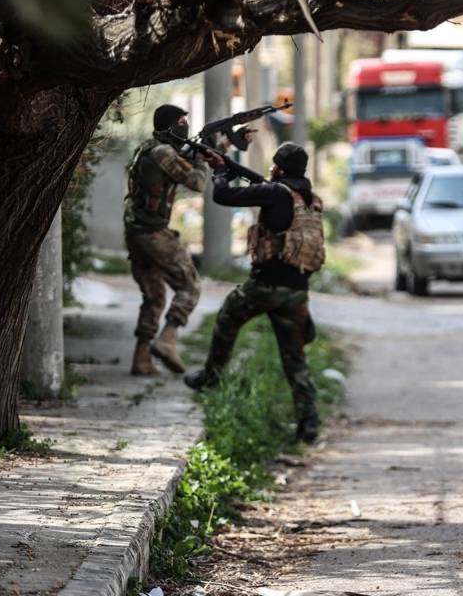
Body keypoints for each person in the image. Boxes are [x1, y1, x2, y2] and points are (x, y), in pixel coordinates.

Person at [184, 143, 326, 444]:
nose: (270, 169)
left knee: (227, 317)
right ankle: (309, 423)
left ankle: (211, 376)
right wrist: (231, 166)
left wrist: (220, 171)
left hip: (266, 285)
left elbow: (223, 195)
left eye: (274, 165)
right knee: (295, 358)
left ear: (280, 168)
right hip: (297, 290)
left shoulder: (275, 193)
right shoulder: (310, 199)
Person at [124, 104, 209, 376]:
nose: (186, 125)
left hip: (136, 231)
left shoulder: (148, 148)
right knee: (190, 285)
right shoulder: (163, 152)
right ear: (171, 126)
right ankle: (167, 339)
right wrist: (204, 157)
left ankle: (141, 359)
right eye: (182, 121)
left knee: (154, 295)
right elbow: (197, 182)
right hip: (153, 232)